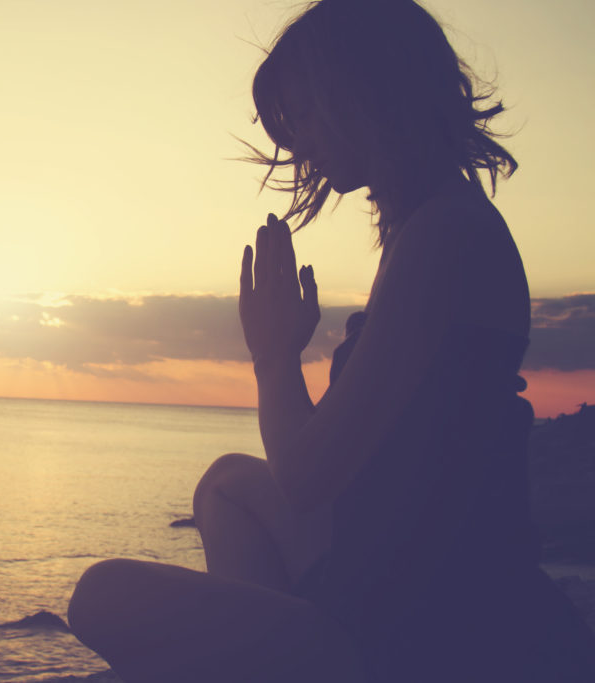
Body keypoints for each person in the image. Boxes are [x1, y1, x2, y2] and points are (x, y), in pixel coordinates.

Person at [66, 0, 595, 680]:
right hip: (396, 562)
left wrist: (274, 353)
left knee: (100, 594)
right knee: (226, 484)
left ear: (366, 92)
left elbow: (308, 476)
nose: (298, 142)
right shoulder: (430, 225)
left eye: (307, 112)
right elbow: (369, 471)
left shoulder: (444, 238)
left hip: (431, 619)